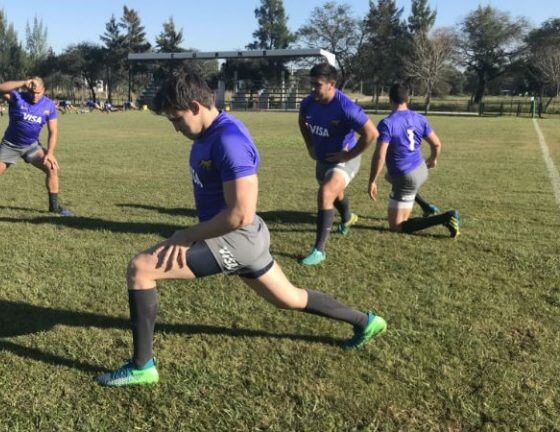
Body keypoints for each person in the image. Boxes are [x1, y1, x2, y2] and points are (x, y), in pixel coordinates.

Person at [94, 69, 386, 387]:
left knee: (141, 269)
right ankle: (366, 321)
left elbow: (240, 214)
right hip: (242, 238)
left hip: (236, 238)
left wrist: (185, 235)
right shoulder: (210, 133)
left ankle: (141, 367)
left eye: (176, 119)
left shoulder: (228, 140)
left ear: (195, 106)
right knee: (288, 298)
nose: (176, 128)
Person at [297, 63, 378, 266]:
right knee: (335, 195)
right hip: (323, 159)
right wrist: (310, 146)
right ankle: (348, 217)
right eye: (312, 84)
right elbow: (302, 121)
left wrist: (349, 154)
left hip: (344, 159)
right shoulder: (309, 103)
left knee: (326, 193)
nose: (313, 88)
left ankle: (319, 250)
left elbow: (371, 133)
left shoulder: (346, 107)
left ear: (331, 84)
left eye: (318, 84)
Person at [0, 77, 73, 216]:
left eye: (38, 93)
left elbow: (53, 131)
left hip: (32, 146)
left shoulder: (49, 105)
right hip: (10, 145)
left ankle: (54, 207)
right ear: (28, 89)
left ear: (44, 91)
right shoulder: (17, 97)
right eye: (32, 92)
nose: (35, 96)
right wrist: (23, 83)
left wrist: (50, 153)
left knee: (52, 168)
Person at [367, 83, 460, 237]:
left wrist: (372, 180)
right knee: (389, 176)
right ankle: (426, 206)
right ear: (407, 99)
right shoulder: (419, 118)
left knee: (396, 226)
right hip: (421, 169)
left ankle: (446, 217)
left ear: (390, 99)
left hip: (406, 177)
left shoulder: (387, 123)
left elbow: (380, 155)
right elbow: (436, 144)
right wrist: (433, 159)